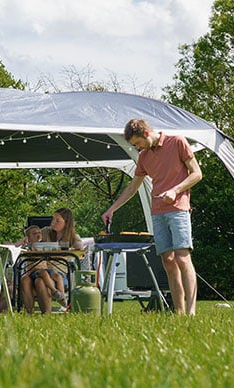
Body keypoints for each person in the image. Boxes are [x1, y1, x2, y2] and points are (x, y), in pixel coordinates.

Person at [101, 119, 202, 315]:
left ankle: (191, 312)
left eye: (137, 143)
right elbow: (132, 187)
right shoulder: (145, 157)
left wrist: (176, 190)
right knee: (168, 261)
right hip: (158, 212)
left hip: (178, 209)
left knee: (182, 258)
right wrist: (111, 209)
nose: (136, 148)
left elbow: (197, 174)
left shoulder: (177, 142)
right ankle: (179, 312)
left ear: (146, 133)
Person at [21, 208, 84, 313]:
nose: (53, 223)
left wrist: (69, 247)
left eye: (57, 221)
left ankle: (46, 314)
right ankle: (29, 313)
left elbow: (80, 248)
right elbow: (31, 236)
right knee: (25, 279)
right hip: (41, 269)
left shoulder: (72, 236)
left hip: (60, 272)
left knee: (39, 281)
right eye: (53, 219)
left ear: (67, 222)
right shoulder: (46, 231)